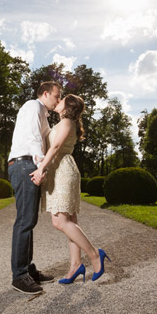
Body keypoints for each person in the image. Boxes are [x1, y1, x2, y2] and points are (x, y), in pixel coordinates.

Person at [35, 94, 110, 284]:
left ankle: (94, 254)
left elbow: (57, 145)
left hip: (63, 171)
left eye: (61, 100)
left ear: (68, 107)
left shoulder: (68, 121)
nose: (57, 101)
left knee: (59, 221)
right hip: (58, 170)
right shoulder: (62, 122)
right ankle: (75, 265)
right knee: (70, 222)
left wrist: (41, 167)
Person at [8, 81, 61, 294]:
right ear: (45, 93)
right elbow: (33, 137)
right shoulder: (33, 106)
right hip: (24, 164)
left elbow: (47, 140)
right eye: (57, 96)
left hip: (27, 163)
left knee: (30, 219)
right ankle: (19, 276)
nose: (58, 100)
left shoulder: (43, 114)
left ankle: (28, 270)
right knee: (25, 220)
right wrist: (39, 167)